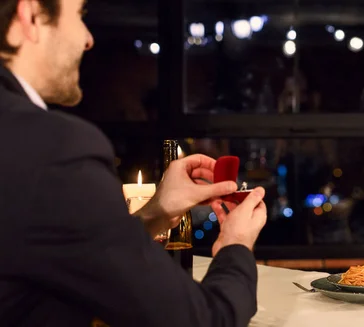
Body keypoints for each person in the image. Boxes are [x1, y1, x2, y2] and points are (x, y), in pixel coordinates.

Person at [0, 1, 267, 326]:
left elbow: (60, 247)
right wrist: (236, 245)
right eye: (80, 15)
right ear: (28, 16)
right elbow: (202, 320)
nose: (88, 39)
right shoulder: (55, 149)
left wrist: (157, 211)